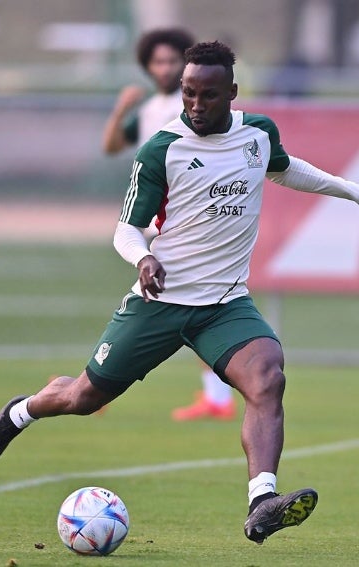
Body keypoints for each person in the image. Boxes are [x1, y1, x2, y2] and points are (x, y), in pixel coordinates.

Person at [0, 41, 359, 544]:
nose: (196, 105)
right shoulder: (163, 149)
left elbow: (288, 169)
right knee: (83, 397)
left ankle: (262, 502)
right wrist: (144, 258)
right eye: (189, 94)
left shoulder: (258, 134)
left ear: (232, 94)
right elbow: (125, 230)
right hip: (161, 300)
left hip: (224, 304)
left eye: (208, 95)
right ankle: (18, 413)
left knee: (268, 378)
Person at [102, 27, 236, 421]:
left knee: (195, 312)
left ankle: (98, 383)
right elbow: (111, 147)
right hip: (147, 230)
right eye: (156, 61)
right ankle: (215, 397)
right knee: (184, 315)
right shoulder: (146, 111)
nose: (163, 69)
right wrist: (119, 110)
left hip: (181, 230)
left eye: (171, 62)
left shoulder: (195, 113)